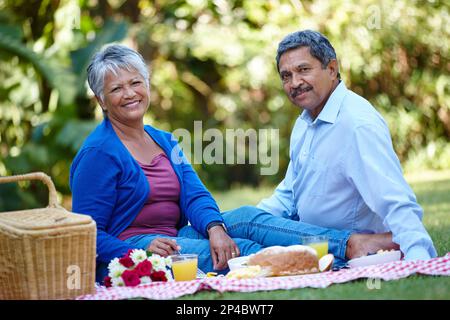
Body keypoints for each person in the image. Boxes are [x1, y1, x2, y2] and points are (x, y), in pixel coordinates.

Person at [70, 44, 399, 284]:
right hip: (138, 250)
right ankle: (333, 262)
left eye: (135, 82)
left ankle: (352, 243)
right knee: (243, 250)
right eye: (116, 88)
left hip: (177, 235)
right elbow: (87, 233)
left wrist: (215, 229)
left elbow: (195, 195)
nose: (130, 93)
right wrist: (137, 250)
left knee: (245, 217)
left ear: (147, 85)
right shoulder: (99, 153)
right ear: (101, 99)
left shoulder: (164, 140)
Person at [258, 30, 437, 261]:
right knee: (233, 226)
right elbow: (289, 195)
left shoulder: (357, 124)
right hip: (305, 237)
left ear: (331, 69)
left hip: (342, 247)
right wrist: (256, 219)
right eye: (286, 76)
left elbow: (392, 197)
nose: (295, 83)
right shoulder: (304, 122)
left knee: (231, 233)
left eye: (304, 70)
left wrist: (418, 253)